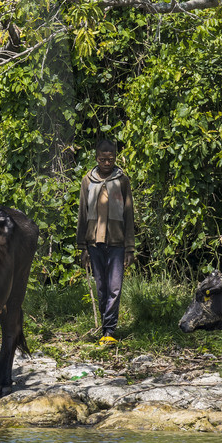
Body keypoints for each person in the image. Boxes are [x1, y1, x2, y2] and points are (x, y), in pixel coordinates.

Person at [76, 138, 135, 347]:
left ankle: (109, 329)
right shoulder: (87, 181)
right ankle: (104, 325)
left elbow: (129, 215)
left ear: (115, 158)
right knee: (101, 287)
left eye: (110, 159)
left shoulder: (122, 181)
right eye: (102, 159)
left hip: (117, 243)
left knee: (115, 287)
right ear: (96, 158)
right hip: (94, 243)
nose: (106, 163)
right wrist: (81, 246)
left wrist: (130, 248)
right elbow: (82, 214)